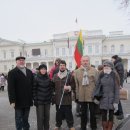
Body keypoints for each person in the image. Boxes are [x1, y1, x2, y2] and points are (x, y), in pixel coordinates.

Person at [8, 56, 33, 130]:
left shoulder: (29, 72)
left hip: (28, 100)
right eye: (20, 60)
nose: (21, 61)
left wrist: (32, 97)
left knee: (26, 118)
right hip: (18, 101)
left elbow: (32, 85)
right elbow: (10, 88)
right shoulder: (12, 72)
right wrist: (12, 101)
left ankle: (26, 128)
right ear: (16, 62)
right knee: (18, 118)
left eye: (23, 60)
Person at [93, 60, 120, 130]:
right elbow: (97, 86)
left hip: (112, 99)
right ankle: (104, 128)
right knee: (103, 116)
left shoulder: (115, 75)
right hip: (103, 98)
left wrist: (116, 102)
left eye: (107, 66)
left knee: (111, 116)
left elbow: (117, 89)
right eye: (104, 66)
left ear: (111, 67)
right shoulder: (101, 74)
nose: (106, 67)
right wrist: (95, 97)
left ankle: (110, 128)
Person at [74, 55, 98, 130]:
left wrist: (97, 96)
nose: (85, 62)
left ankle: (93, 127)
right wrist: (77, 96)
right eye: (83, 61)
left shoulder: (94, 71)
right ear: (81, 62)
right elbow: (76, 85)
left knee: (93, 114)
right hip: (82, 96)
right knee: (83, 114)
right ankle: (83, 127)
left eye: (86, 61)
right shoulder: (77, 72)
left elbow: (97, 84)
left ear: (89, 61)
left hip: (92, 96)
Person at [53, 60, 75, 130]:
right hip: (58, 98)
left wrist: (69, 87)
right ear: (59, 66)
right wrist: (53, 93)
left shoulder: (69, 75)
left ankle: (70, 125)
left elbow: (74, 85)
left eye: (63, 65)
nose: (62, 67)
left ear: (65, 66)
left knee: (68, 113)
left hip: (67, 98)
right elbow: (52, 86)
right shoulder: (55, 76)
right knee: (58, 113)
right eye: (61, 65)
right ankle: (58, 125)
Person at [33, 64, 54, 130]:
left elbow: (51, 88)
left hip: (47, 101)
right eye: (42, 69)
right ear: (39, 70)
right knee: (40, 117)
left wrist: (51, 97)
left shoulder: (48, 78)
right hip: (40, 102)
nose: (43, 70)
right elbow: (34, 90)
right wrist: (35, 100)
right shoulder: (36, 78)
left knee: (47, 117)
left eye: (44, 69)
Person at [111, 55, 124, 120]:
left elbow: (121, 75)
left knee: (117, 99)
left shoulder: (118, 64)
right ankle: (117, 112)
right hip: (116, 84)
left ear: (115, 59)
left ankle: (120, 114)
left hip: (117, 84)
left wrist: (120, 85)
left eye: (112, 59)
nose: (111, 60)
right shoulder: (117, 64)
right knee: (116, 98)